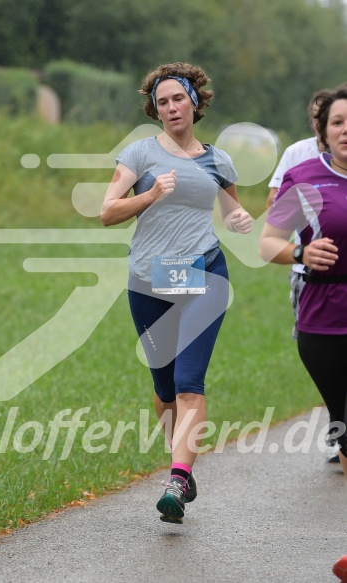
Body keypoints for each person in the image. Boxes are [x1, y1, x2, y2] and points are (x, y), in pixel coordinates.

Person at [101, 61, 251, 524]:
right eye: (161, 102)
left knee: (189, 382)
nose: (170, 108)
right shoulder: (141, 154)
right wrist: (148, 196)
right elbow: (107, 212)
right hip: (149, 280)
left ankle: (178, 476)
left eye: (177, 99)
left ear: (194, 101)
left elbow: (232, 211)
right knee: (163, 388)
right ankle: (179, 467)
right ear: (155, 109)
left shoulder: (217, 159)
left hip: (204, 273)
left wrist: (238, 221)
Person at [259, 84, 347, 481]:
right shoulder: (305, 176)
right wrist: (301, 253)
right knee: (344, 429)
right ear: (324, 132)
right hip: (323, 317)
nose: (345, 129)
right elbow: (268, 243)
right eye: (338, 122)